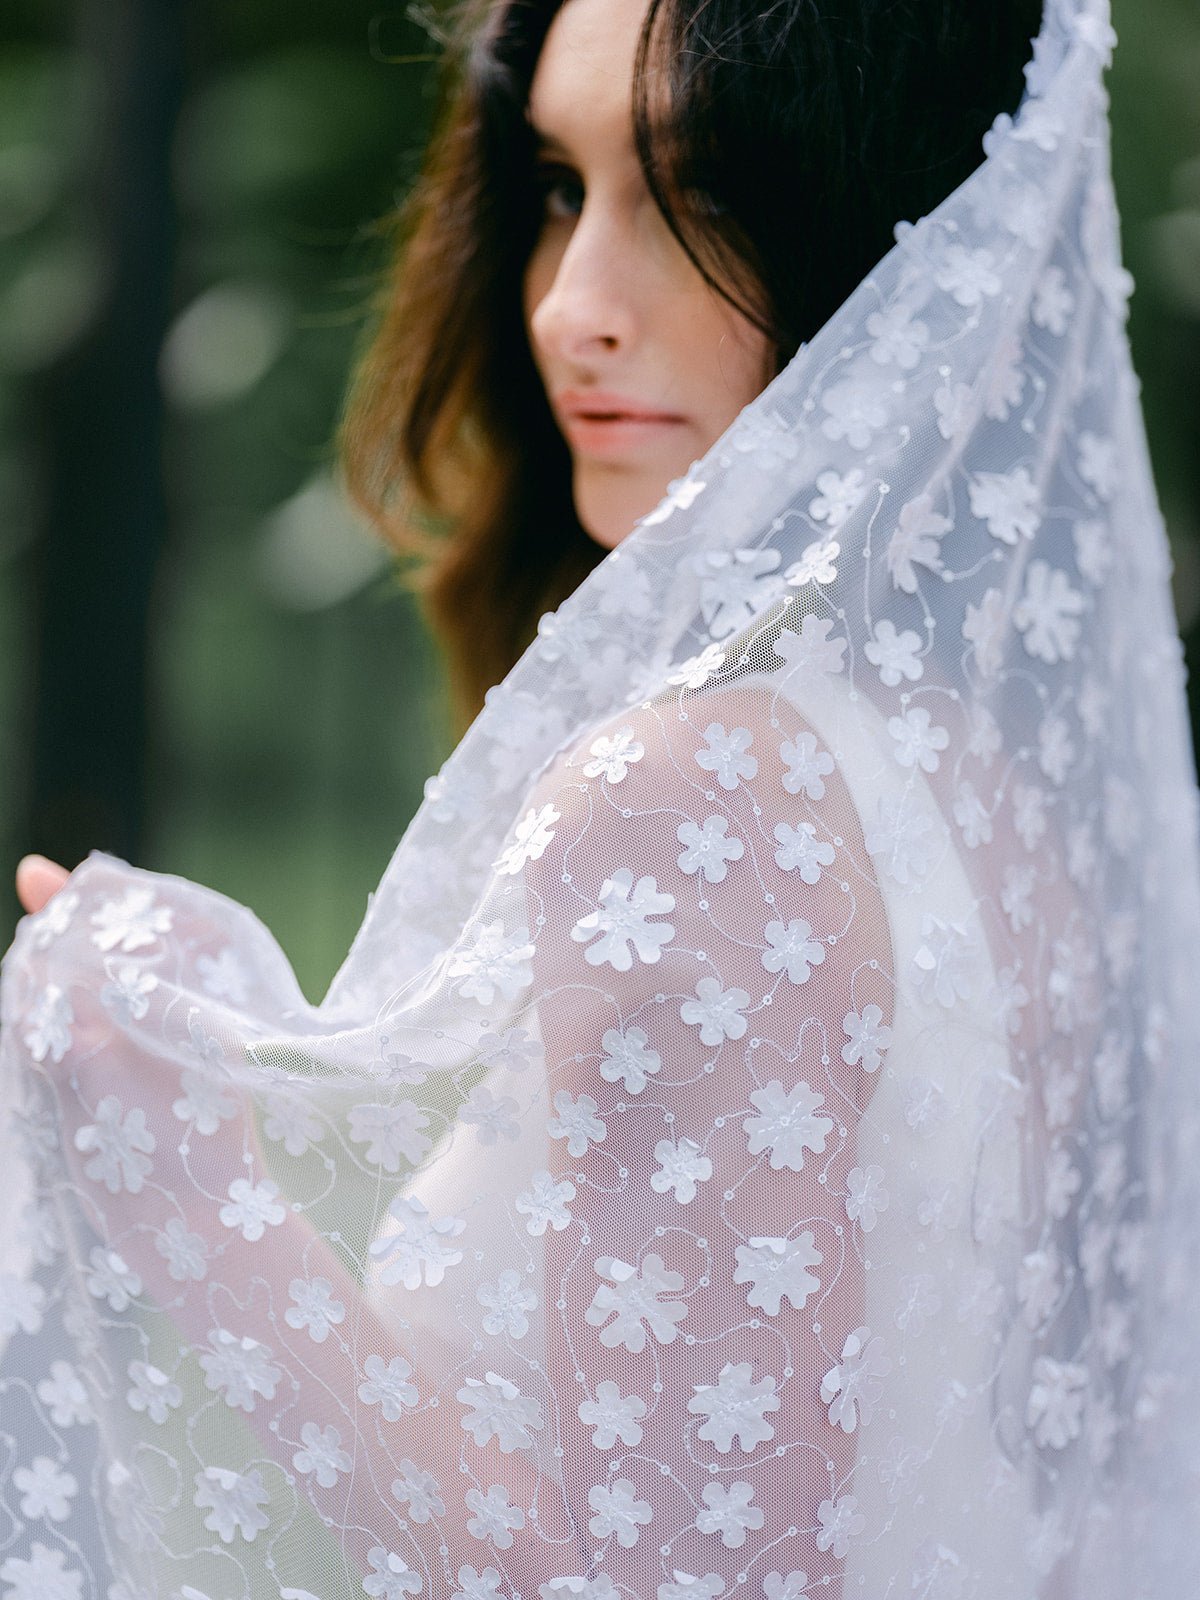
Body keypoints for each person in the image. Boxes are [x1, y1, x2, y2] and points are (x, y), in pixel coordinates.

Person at [6, 2, 1200, 1598]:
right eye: (565, 188)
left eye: (699, 199)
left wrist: (182, 1178)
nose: (573, 308)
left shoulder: (704, 803)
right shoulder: (992, 786)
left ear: (889, 225)